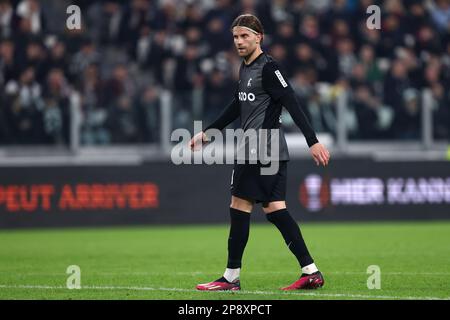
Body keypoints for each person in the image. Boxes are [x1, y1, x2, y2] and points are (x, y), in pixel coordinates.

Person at [189, 14, 330, 291]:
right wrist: (209, 132)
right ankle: (310, 271)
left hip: (259, 148)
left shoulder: (268, 67)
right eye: (235, 37)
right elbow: (236, 106)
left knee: (239, 206)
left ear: (258, 37)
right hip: (269, 149)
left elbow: (292, 102)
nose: (239, 42)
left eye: (244, 36)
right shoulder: (245, 68)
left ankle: (231, 277)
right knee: (275, 209)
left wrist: (312, 141)